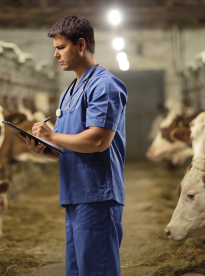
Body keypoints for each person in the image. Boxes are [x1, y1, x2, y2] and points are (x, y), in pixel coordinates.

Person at [19, 15, 127, 276]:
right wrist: (45, 149)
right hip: (74, 195)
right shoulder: (70, 90)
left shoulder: (104, 85)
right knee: (78, 271)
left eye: (60, 47)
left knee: (96, 270)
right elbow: (72, 146)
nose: (55, 55)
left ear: (80, 45)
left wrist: (52, 136)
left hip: (97, 196)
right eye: (54, 48)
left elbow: (98, 140)